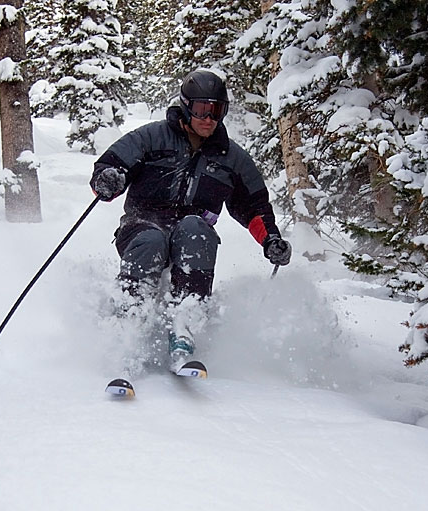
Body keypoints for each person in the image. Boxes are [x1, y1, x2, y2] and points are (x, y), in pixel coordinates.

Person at [90, 69, 291, 362]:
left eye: (216, 111)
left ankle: (185, 322)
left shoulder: (231, 157)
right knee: (151, 239)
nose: (208, 118)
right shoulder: (152, 137)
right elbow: (110, 165)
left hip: (192, 231)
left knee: (196, 229)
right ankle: (128, 322)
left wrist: (270, 239)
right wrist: (109, 180)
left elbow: (254, 207)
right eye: (201, 110)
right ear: (186, 106)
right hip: (141, 224)